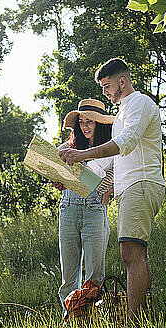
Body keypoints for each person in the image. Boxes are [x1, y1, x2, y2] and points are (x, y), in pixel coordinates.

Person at [59, 58, 165, 322]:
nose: (105, 92)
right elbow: (113, 165)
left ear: (122, 81)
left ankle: (133, 320)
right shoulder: (124, 112)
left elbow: (125, 144)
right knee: (137, 254)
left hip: (141, 183)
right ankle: (144, 315)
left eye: (107, 86)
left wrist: (83, 154)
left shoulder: (139, 103)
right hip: (131, 187)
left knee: (130, 254)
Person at [53, 99, 115, 316]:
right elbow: (53, 166)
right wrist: (58, 180)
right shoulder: (68, 147)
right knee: (68, 276)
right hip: (68, 208)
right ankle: (71, 317)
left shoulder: (110, 149)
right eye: (81, 121)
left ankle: (92, 317)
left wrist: (99, 188)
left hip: (94, 209)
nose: (85, 126)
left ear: (101, 124)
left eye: (90, 121)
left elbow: (113, 178)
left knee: (94, 273)